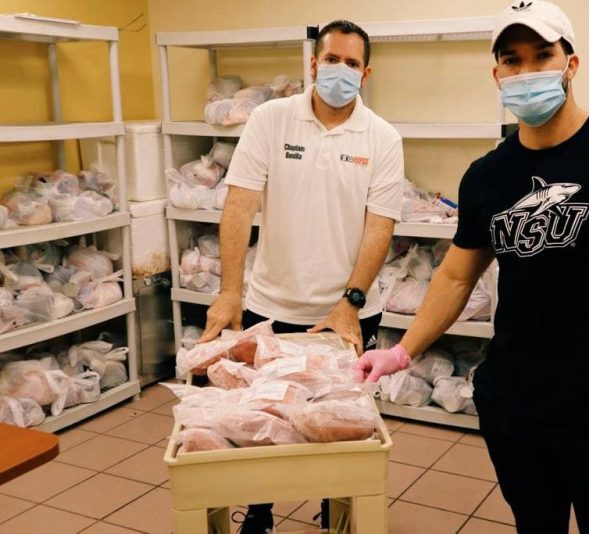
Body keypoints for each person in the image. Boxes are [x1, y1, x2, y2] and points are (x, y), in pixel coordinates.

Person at [355, 2, 589, 533]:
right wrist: (402, 351)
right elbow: (456, 275)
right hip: (513, 407)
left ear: (571, 63)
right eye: (512, 60)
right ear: (497, 74)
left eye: (542, 56)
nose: (526, 72)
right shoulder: (487, 176)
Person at [199, 20, 404, 534]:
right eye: (332, 59)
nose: (340, 70)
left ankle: (336, 507)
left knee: (341, 419)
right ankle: (260, 514)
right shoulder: (271, 119)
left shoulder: (382, 137)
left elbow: (379, 226)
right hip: (272, 306)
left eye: (352, 63)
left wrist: (351, 301)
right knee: (262, 417)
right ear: (314, 64)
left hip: (349, 311)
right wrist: (229, 292)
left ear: (366, 73)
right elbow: (239, 205)